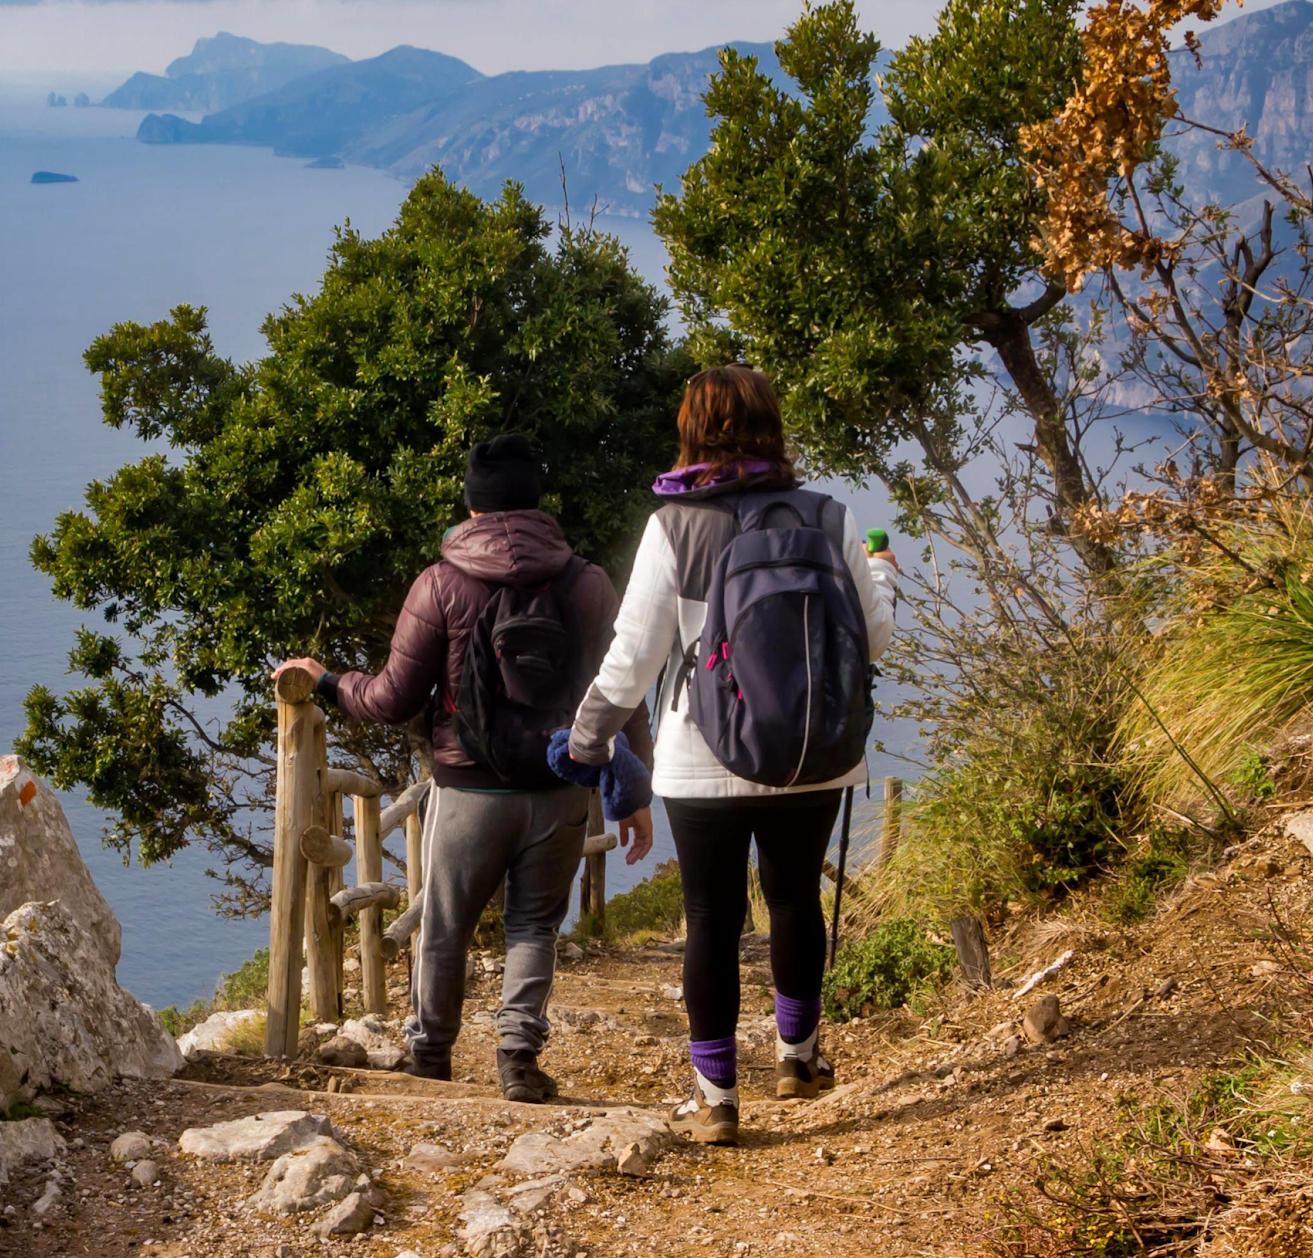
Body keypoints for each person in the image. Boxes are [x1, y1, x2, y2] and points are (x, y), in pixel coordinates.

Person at [566, 365, 897, 1144]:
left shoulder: (672, 527)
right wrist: (882, 574)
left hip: (700, 755)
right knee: (793, 901)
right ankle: (798, 1057)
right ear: (772, 425)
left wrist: (588, 737)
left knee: (709, 918)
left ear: (690, 432)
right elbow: (874, 636)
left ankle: (717, 1098)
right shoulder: (827, 515)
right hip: (815, 754)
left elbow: (633, 657)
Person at [274, 433, 653, 1102]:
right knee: (535, 924)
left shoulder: (441, 583)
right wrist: (635, 787)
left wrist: (329, 680)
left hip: (468, 786)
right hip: (560, 784)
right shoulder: (587, 582)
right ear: (537, 500)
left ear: (473, 505)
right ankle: (517, 1057)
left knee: (444, 922)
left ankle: (431, 1056)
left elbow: (391, 698)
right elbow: (624, 690)